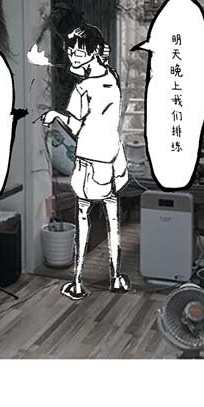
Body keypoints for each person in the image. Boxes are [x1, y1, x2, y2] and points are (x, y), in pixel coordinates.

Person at [41, 24, 129, 300]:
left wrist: (55, 115)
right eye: (71, 51)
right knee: (113, 218)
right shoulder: (112, 77)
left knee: (83, 218)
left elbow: (76, 127)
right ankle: (116, 277)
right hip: (112, 156)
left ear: (92, 52)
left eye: (77, 52)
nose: (72, 56)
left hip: (90, 159)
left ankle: (78, 281)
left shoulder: (83, 87)